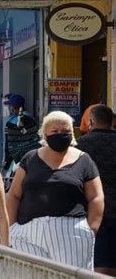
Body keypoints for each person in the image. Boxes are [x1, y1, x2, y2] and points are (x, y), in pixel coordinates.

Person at [6, 111, 104, 269]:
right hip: (28, 232)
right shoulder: (30, 158)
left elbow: (96, 197)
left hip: (71, 232)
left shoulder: (84, 160)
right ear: (44, 134)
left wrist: (90, 230)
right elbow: (14, 195)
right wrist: (10, 228)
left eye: (65, 132)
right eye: (55, 131)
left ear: (72, 134)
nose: (60, 135)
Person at [77, 105, 116, 275]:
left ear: (91, 121)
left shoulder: (80, 146)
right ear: (112, 123)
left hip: (92, 211)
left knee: (97, 260)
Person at [1, 94, 40, 177]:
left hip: (17, 159)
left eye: (10, 105)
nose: (9, 108)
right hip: (32, 157)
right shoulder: (30, 117)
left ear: (14, 107)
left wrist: (5, 162)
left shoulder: (14, 121)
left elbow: (9, 144)